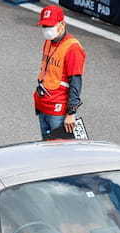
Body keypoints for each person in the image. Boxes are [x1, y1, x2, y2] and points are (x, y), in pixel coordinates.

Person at [34, 5, 86, 139]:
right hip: (43, 105)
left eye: (50, 26)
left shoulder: (73, 48)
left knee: (61, 153)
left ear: (62, 24)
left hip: (58, 111)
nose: (46, 30)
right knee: (47, 149)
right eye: (44, 26)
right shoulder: (48, 42)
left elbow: (76, 82)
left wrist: (71, 113)